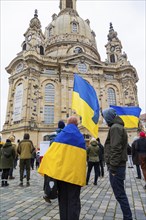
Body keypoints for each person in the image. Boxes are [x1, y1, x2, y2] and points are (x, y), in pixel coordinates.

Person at [38, 116, 87, 220]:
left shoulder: (60, 137)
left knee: (63, 200)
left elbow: (50, 155)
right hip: (74, 176)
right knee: (73, 201)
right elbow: (82, 159)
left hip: (61, 175)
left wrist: (48, 169)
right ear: (77, 125)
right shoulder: (80, 138)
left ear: (67, 124)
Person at [102, 107, 133, 220]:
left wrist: (113, 167)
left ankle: (128, 217)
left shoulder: (115, 128)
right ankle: (127, 216)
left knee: (120, 194)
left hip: (117, 166)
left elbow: (115, 148)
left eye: (104, 118)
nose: (104, 120)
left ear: (109, 117)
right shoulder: (117, 127)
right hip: (118, 165)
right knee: (120, 193)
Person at [43, 120, 65, 203]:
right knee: (60, 177)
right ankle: (57, 193)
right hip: (61, 158)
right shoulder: (64, 135)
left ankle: (48, 192)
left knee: (50, 177)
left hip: (52, 158)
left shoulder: (52, 136)